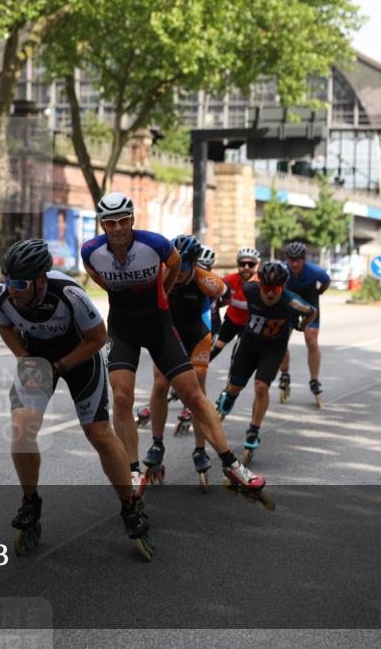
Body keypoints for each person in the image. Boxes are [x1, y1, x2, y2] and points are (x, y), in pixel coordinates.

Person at [81, 192, 266, 497]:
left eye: (123, 220)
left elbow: (176, 263)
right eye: (110, 222)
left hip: (159, 326)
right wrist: (120, 293)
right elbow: (94, 273)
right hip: (123, 328)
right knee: (123, 395)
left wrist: (162, 294)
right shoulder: (91, 251)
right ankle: (132, 469)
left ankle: (232, 465)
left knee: (193, 393)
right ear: (102, 224)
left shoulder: (154, 244)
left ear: (132, 220)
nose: (117, 228)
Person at [0, 239, 152, 559]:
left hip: (80, 356)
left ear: (41, 280)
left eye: (21, 284)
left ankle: (130, 505)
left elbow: (99, 337)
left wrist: (60, 366)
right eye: (8, 281)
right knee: (22, 431)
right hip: (37, 356)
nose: (13, 290)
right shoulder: (3, 297)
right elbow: (7, 329)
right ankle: (30, 502)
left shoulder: (70, 294)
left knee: (98, 433)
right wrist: (26, 358)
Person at [139, 236, 230, 488]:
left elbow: (227, 296)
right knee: (160, 383)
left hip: (197, 335)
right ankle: (157, 444)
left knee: (197, 390)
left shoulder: (205, 279)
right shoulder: (159, 273)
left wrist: (213, 310)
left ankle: (200, 449)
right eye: (173, 265)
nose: (177, 272)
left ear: (193, 263)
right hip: (168, 333)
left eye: (184, 267)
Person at [216, 261, 317, 465]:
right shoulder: (250, 289)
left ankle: (254, 430)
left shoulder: (291, 301)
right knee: (234, 387)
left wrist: (301, 325)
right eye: (266, 288)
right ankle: (230, 397)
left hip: (273, 350)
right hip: (249, 346)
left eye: (276, 289)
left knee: (261, 387)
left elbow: (311, 312)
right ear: (260, 285)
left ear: (283, 288)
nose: (270, 294)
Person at [277, 241, 331, 406]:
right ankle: (285, 373)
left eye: (298, 259)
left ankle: (314, 380)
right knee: (280, 339)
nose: (294, 263)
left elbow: (326, 282)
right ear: (287, 259)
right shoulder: (283, 269)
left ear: (304, 259)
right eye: (291, 259)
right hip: (291, 302)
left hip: (309, 301)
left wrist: (318, 293)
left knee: (311, 340)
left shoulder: (315, 271)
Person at [209, 247, 260, 364]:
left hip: (249, 325)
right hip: (231, 320)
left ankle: (230, 382)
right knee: (213, 350)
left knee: (237, 356)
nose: (246, 267)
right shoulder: (229, 280)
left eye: (251, 264)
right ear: (238, 264)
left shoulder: (261, 284)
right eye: (243, 263)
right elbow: (215, 299)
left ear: (257, 265)